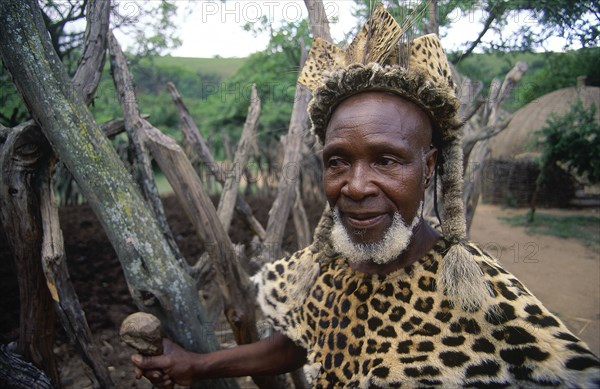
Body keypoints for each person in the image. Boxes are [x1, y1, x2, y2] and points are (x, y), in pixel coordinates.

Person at [132, 6, 600, 388]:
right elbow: (299, 342)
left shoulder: (479, 294)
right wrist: (196, 364)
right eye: (338, 161)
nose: (355, 187)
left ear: (429, 167)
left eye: (387, 161)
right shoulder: (328, 265)